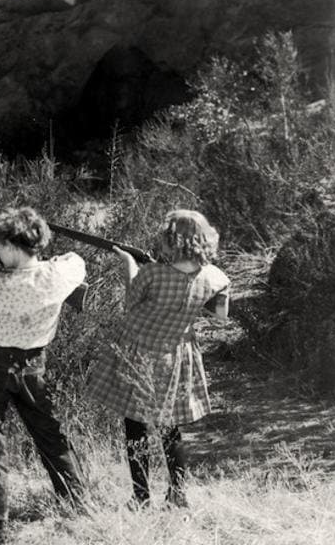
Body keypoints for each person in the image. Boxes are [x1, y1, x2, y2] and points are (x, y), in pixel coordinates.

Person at [86, 210, 231, 509]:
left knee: (135, 425)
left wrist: (128, 264)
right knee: (170, 428)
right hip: (177, 356)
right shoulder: (216, 277)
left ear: (171, 239)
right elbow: (220, 316)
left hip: (139, 353)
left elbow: (131, 302)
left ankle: (141, 497)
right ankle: (177, 495)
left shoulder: (152, 274)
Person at [0, 207, 87, 543]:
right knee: (50, 434)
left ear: (13, 247)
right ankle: (77, 502)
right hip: (35, 365)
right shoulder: (58, 275)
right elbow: (76, 261)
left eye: (1, 246)